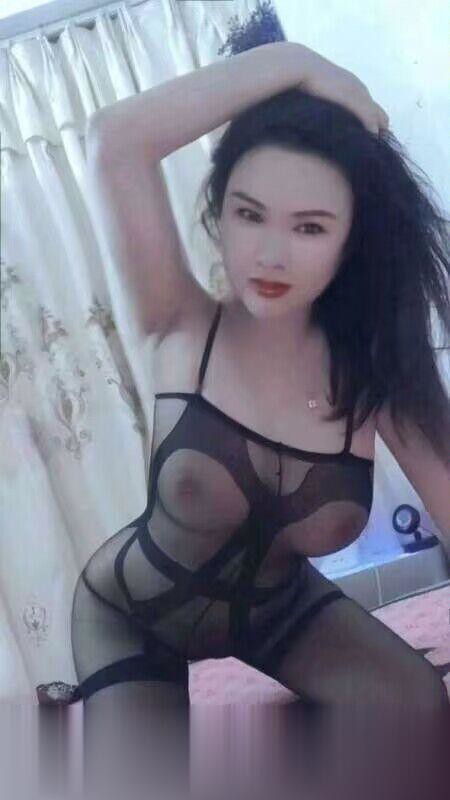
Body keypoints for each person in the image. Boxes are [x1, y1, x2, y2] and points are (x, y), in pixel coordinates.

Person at [72, 42, 450, 800]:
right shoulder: (179, 319)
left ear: (352, 239)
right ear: (220, 212)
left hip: (280, 611)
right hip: (134, 613)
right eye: (249, 214)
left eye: (310, 227)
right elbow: (115, 139)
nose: (271, 254)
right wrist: (299, 61)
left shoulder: (377, 373)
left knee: (420, 715)